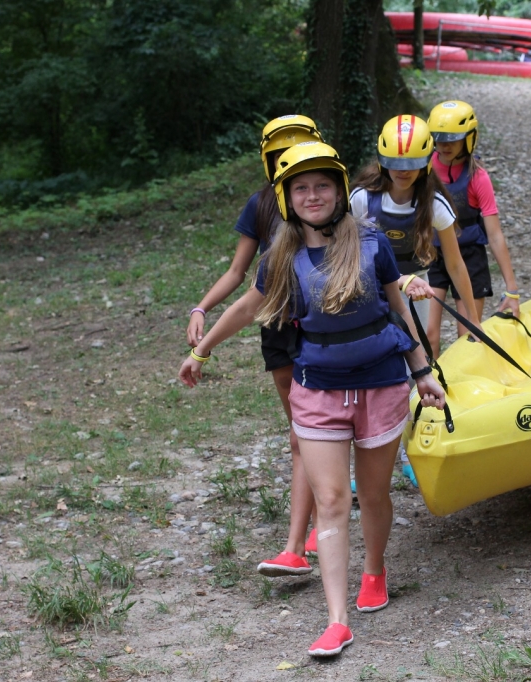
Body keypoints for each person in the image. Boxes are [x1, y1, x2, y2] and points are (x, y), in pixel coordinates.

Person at [179, 141, 446, 657]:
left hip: (381, 384)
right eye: (300, 187)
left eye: (322, 184)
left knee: (373, 496)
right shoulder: (281, 256)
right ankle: (337, 619)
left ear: (341, 190)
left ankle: (374, 570)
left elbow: (399, 313)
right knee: (331, 501)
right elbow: (247, 306)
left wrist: (422, 373)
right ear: (285, 198)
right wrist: (203, 350)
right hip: (318, 391)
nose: (312, 195)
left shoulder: (371, 245)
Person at [185, 115, 322, 577]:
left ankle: (313, 528)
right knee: (302, 430)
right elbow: (238, 276)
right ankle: (316, 521)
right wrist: (200, 310)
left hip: (322, 327)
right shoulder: (262, 206)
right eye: (280, 155)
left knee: (309, 432)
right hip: (278, 323)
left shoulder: (331, 203)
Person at [351, 115, 482, 354]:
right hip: (371, 282)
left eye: (412, 164)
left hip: (418, 284)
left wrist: (472, 318)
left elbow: (455, 263)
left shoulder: (435, 204)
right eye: (396, 163)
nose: (403, 171)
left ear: (426, 163)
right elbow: (347, 252)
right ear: (382, 160)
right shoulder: (361, 198)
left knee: (417, 351)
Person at [426, 100, 521, 354]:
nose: (443, 146)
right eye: (439, 139)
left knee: (466, 336)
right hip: (433, 254)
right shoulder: (424, 169)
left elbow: (495, 234)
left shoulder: (478, 177)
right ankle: (431, 390)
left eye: (452, 140)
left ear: (469, 139)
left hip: (469, 257)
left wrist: (512, 290)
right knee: (428, 335)